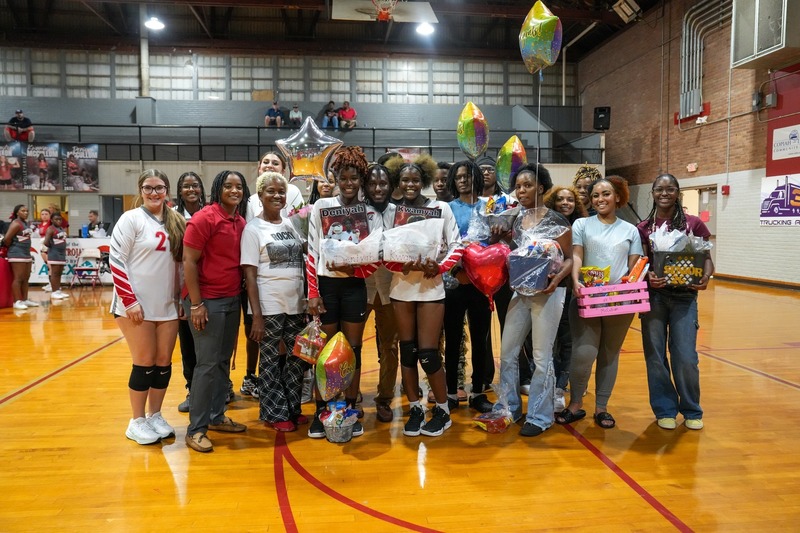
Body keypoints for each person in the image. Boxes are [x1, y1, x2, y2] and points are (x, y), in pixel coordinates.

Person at [383, 154, 463, 437]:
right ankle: (415, 407)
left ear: (424, 181)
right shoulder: (391, 211)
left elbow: (457, 245)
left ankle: (442, 409)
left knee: (429, 353)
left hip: (431, 287)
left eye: (415, 179)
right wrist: (401, 265)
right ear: (398, 181)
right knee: (408, 351)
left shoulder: (440, 208)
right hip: (402, 288)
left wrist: (439, 267)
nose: (410, 184)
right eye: (405, 179)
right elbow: (383, 252)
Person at [491, 164, 572, 437]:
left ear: (540, 187)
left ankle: (539, 415)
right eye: (518, 186)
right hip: (520, 292)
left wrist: (556, 280)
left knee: (541, 355)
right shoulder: (515, 220)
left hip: (548, 293)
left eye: (527, 185)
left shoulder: (557, 220)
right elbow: (515, 257)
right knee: (508, 352)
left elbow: (570, 258)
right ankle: (510, 407)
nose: (521, 190)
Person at [556, 175, 642, 429]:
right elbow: (577, 257)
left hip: (619, 303)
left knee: (609, 355)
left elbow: (634, 267)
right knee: (584, 353)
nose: (600, 199)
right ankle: (575, 404)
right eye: (595, 195)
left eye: (605, 194)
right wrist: (576, 282)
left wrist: (628, 285)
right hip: (586, 298)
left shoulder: (631, 230)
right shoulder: (582, 224)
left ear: (617, 197)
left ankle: (602, 407)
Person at [306, 146, 379, 438]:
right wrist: (313, 292)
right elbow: (311, 251)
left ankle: (349, 406)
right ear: (334, 177)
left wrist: (356, 271)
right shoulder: (321, 207)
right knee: (325, 351)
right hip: (326, 286)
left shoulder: (370, 212)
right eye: (343, 177)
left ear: (361, 179)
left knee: (352, 349)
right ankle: (322, 408)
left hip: (353, 287)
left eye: (354, 178)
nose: (348, 183)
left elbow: (375, 257)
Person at [110, 169, 186, 445]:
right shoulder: (130, 219)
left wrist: (180, 299)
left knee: (162, 364)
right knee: (143, 362)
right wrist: (129, 301)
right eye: (148, 187)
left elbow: (180, 265)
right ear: (140, 190)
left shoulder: (176, 221)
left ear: (167, 190)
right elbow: (116, 261)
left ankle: (155, 415)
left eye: (159, 187)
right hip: (135, 306)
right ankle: (136, 420)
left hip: (167, 305)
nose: (154, 193)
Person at [637, 174, 714, 431]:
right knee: (656, 356)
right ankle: (665, 409)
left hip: (685, 297)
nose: (665, 193)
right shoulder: (644, 227)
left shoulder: (693, 224)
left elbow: (706, 259)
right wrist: (647, 276)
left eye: (670, 189)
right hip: (655, 297)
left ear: (677, 192)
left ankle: (692, 409)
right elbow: (640, 263)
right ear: (653, 192)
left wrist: (705, 277)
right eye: (660, 189)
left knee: (686, 356)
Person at [183, 170, 250, 453]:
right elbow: (188, 261)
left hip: (231, 300)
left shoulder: (240, 220)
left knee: (223, 362)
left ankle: (216, 416)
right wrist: (196, 304)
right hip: (206, 302)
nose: (234, 190)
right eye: (228, 186)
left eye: (239, 186)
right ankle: (195, 429)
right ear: (217, 189)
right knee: (207, 364)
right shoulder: (204, 218)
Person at [241, 171, 308, 432]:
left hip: (295, 304)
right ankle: (273, 411)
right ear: (260, 196)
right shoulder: (253, 229)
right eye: (271, 191)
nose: (277, 196)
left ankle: (292, 407)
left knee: (296, 360)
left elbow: (304, 255)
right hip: (268, 306)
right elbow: (249, 273)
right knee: (269, 361)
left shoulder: (291, 224)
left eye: (281, 192)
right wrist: (256, 315)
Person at [444, 160, 495, 413]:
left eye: (467, 176)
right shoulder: (447, 208)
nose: (463, 180)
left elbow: (496, 243)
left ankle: (478, 392)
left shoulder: (491, 207)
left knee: (481, 340)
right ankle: (451, 393)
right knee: (452, 339)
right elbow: (442, 244)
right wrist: (457, 270)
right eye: (458, 177)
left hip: (482, 284)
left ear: (476, 177)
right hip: (455, 282)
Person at [543, 185, 588, 410]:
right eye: (560, 199)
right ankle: (549, 385)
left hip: (575, 289)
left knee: (569, 340)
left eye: (570, 199)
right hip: (552, 288)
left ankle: (561, 386)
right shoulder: (547, 225)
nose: (565, 203)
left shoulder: (582, 225)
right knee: (550, 341)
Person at [363, 163, 400, 422]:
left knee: (390, 346)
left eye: (383, 184)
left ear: (391, 186)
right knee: (349, 343)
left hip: (391, 287)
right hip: (360, 287)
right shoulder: (355, 213)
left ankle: (384, 398)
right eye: (373, 184)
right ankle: (347, 392)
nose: (378, 188)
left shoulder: (400, 214)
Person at [173, 171, 207, 414]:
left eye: (195, 185)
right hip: (184, 290)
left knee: (212, 344)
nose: (191, 189)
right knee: (188, 345)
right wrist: (177, 297)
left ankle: (219, 388)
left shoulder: (211, 212)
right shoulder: (172, 217)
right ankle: (192, 390)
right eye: (186, 186)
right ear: (180, 190)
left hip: (211, 287)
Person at [3, 205, 38, 310]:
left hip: (26, 253)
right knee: (18, 278)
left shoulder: (25, 223)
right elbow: (6, 239)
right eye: (23, 211)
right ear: (17, 213)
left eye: (27, 211)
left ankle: (25, 299)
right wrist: (14, 247)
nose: (26, 213)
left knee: (26, 278)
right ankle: (17, 301)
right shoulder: (16, 224)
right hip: (17, 253)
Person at [42, 212, 70, 300]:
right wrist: (53, 247)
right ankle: (54, 292)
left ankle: (58, 291)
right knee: (54, 273)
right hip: (54, 253)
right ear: (52, 220)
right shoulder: (51, 229)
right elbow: (46, 242)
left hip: (61, 254)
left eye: (60, 219)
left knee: (59, 273)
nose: (58, 221)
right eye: (56, 219)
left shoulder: (61, 228)